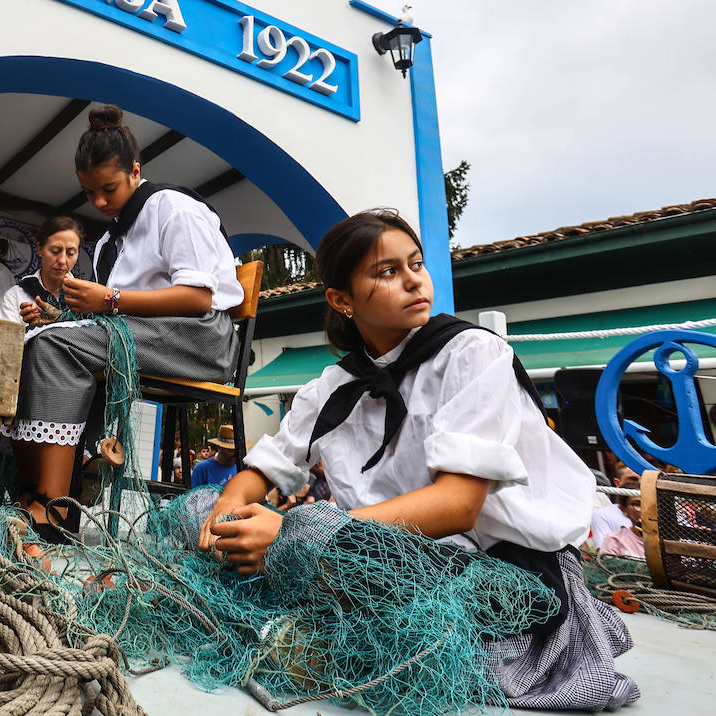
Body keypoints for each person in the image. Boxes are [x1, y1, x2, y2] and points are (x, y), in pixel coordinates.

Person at [201, 208, 639, 710]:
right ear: (341, 300)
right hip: (382, 557)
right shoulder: (330, 389)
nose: (413, 281)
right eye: (387, 272)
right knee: (204, 517)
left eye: (416, 264)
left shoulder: (471, 354)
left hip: (505, 576)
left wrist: (298, 535)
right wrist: (227, 510)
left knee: (298, 543)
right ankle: (322, 629)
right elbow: (263, 469)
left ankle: (330, 643)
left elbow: (458, 505)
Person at [5, 105, 241, 535]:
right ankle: (30, 493)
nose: (98, 202)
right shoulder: (110, 239)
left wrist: (109, 299)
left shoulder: (174, 208)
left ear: (135, 170)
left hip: (200, 339)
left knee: (52, 345)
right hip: (146, 336)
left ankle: (51, 509)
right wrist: (65, 314)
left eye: (108, 189)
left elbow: (198, 296)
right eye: (88, 192)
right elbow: (112, 313)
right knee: (38, 339)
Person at [0, 217, 83, 324]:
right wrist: (30, 331)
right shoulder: (15, 296)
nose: (62, 260)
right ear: (39, 249)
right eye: (55, 251)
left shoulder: (84, 297)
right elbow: (7, 339)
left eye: (70, 253)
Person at [589, 464, 640, 550]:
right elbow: (605, 554)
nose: (640, 483)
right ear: (617, 483)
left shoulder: (658, 512)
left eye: (644, 480)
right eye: (633, 480)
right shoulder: (602, 514)